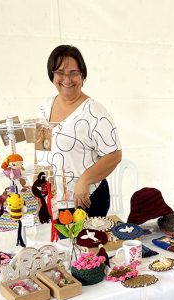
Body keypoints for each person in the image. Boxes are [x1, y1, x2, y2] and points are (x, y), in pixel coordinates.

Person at [39, 45, 122, 216]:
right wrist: (37, 185)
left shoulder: (94, 112)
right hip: (52, 199)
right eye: (60, 72)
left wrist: (85, 180)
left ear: (83, 75)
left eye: (73, 73)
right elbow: (41, 148)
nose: (67, 79)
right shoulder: (46, 106)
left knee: (84, 243)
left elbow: (114, 155)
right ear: (52, 75)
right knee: (56, 243)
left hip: (84, 201)